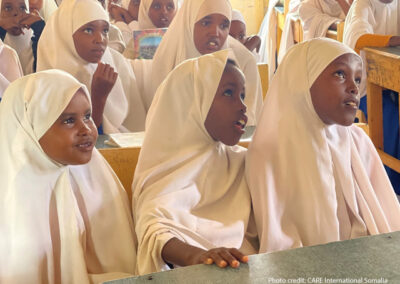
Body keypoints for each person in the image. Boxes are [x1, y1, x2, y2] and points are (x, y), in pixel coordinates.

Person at [246, 38, 400, 253]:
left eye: (357, 78)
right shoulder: (270, 152)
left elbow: (389, 221)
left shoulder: (357, 140)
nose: (354, 88)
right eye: (340, 74)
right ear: (302, 80)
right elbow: (278, 245)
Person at [0, 69, 136, 283]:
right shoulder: (10, 201)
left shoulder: (95, 175)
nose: (87, 130)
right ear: (31, 128)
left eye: (88, 116)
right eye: (68, 121)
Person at [132, 50, 258, 275]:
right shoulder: (167, 168)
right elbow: (155, 231)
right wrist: (198, 255)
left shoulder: (242, 161)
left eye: (242, 95)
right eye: (228, 93)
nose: (242, 106)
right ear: (192, 102)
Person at [37, 0, 146, 134]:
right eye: (88, 30)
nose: (100, 39)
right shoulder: (50, 81)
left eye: (105, 31)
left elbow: (134, 129)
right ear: (66, 33)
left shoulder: (116, 64)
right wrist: (98, 98)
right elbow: (78, 141)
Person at [149, 0, 263, 126]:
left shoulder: (243, 62)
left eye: (224, 25)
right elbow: (161, 121)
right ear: (190, 22)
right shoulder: (167, 58)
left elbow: (248, 123)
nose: (215, 32)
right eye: (206, 23)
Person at [343, 0, 400, 194]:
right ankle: (387, 186)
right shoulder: (363, 4)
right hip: (366, 88)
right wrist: (393, 39)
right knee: (391, 116)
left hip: (390, 83)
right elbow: (359, 38)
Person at [0, 0, 45, 74]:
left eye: (22, 8)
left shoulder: (37, 39)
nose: (16, 13)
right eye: (8, 8)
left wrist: (41, 30)